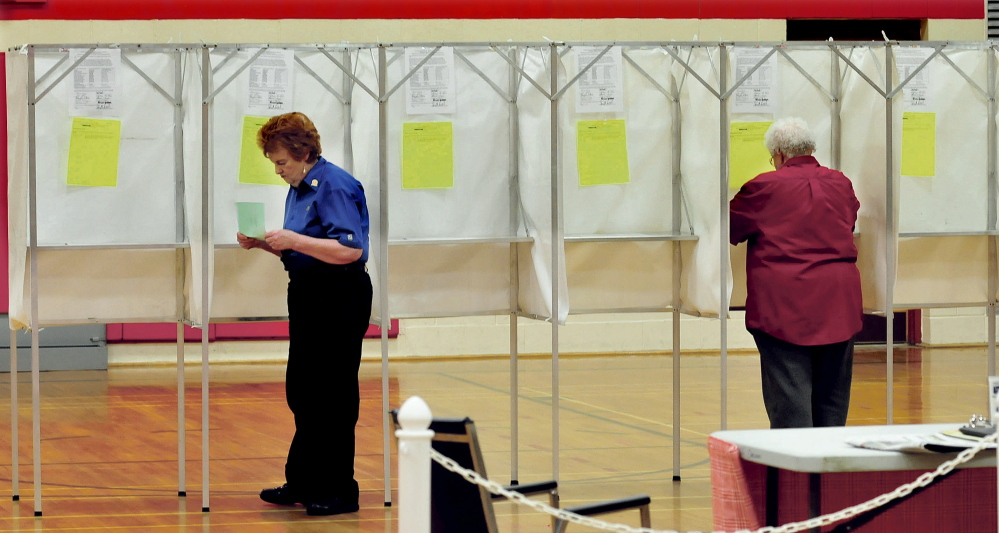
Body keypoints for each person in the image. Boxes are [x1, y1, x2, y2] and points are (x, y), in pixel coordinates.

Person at [236, 111, 372, 516]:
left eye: (281, 162)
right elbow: (304, 247)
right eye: (274, 163)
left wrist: (293, 237)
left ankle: (340, 489)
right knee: (303, 391)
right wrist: (263, 244)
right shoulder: (299, 186)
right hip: (309, 294)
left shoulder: (334, 185)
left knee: (332, 394)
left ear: (303, 151)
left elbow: (350, 249)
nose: (277, 171)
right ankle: (304, 480)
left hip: (339, 295)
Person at [729, 117, 863, 429]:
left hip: (784, 307)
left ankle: (794, 475)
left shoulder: (762, 187)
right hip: (838, 304)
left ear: (778, 154)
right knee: (833, 400)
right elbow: (849, 222)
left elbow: (732, 228)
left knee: (790, 400)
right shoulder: (840, 183)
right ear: (811, 149)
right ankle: (827, 473)